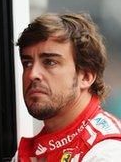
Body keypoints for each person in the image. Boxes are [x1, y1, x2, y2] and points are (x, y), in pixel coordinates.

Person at [13, 13, 121, 161]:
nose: (32, 74)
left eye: (50, 62)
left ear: (86, 77)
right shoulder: (31, 152)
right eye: (27, 63)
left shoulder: (108, 152)